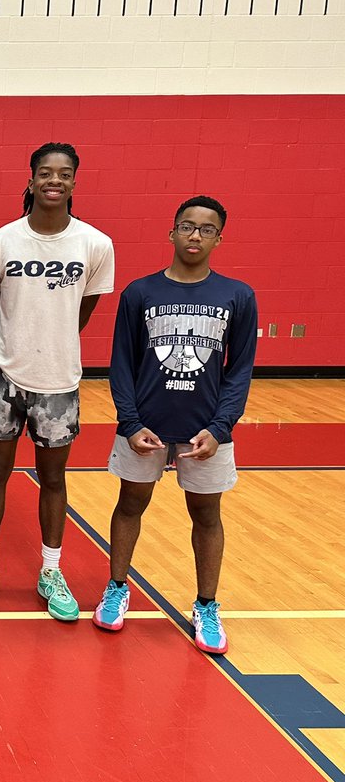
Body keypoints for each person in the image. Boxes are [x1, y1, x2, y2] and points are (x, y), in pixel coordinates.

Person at [0, 143, 115, 621]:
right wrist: (20, 342)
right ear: (30, 180)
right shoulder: (0, 241)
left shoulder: (95, 244)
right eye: (45, 172)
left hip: (59, 383)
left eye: (64, 174)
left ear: (73, 183)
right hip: (3, 376)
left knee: (53, 478)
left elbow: (83, 311)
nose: (54, 180)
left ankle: (51, 570)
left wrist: (54, 341)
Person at [95, 196, 256, 654]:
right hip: (145, 426)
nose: (195, 236)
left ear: (219, 239)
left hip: (207, 428)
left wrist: (221, 427)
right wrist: (129, 422)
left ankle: (206, 604)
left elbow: (239, 369)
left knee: (206, 515)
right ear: (171, 232)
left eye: (207, 229)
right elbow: (121, 364)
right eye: (187, 226)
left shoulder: (237, 296)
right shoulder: (140, 293)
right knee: (130, 504)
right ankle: (117, 587)